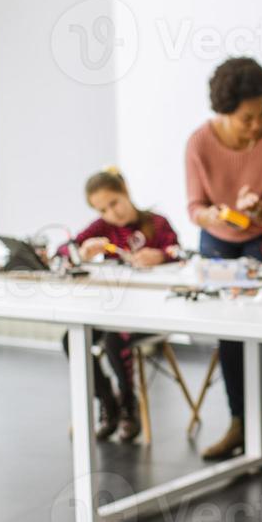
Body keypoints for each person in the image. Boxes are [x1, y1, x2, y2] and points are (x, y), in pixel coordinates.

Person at [185, 57, 262, 462]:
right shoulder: (198, 143)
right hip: (216, 240)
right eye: (247, 118)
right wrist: (210, 216)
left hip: (258, 239)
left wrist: (261, 209)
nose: (257, 125)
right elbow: (195, 206)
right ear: (223, 112)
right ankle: (237, 424)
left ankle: (260, 432)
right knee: (229, 331)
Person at [61, 168, 179, 443]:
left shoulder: (158, 223)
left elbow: (181, 254)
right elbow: (64, 249)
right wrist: (82, 252)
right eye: (103, 209)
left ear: (125, 191)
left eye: (114, 203)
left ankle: (129, 406)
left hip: (151, 312)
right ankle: (107, 402)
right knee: (72, 340)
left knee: (115, 340)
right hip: (113, 310)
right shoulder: (101, 228)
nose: (112, 213)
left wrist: (161, 257)